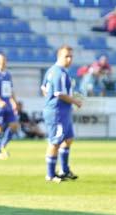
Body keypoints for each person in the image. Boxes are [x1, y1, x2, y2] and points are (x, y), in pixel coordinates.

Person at [41, 45, 82, 183]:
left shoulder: (52, 71)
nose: (69, 59)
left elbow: (44, 88)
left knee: (68, 138)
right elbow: (59, 94)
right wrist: (75, 101)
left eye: (71, 56)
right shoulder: (58, 72)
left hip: (63, 111)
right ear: (59, 56)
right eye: (66, 56)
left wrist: (49, 99)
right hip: (57, 112)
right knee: (55, 142)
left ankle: (64, 170)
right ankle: (50, 175)